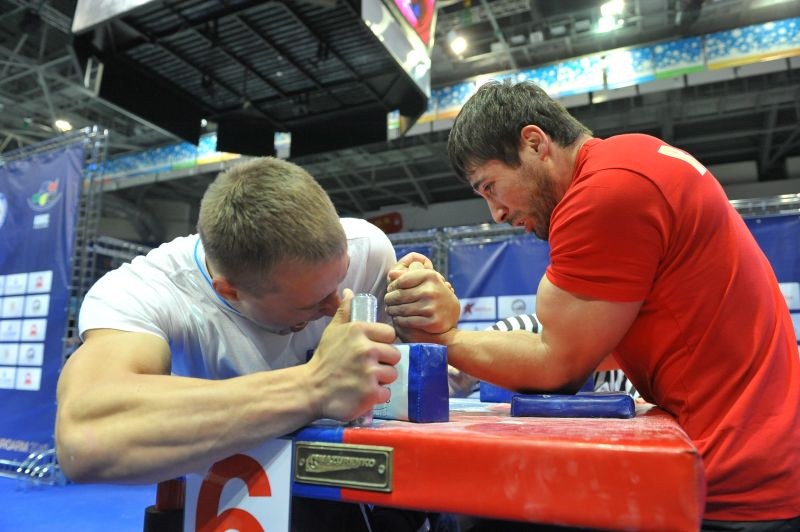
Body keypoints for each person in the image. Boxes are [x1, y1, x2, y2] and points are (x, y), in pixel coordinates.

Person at [385, 81, 800, 529]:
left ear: (534, 143)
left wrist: (446, 335)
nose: (496, 213)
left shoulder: (605, 191)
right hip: (756, 456)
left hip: (733, 478)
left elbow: (557, 366)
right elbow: (581, 346)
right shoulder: (633, 158)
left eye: (490, 187)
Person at [54, 157, 448, 531]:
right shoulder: (148, 292)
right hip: (227, 501)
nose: (334, 307)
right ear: (230, 291)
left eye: (341, 282)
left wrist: (436, 320)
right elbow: (85, 437)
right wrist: (314, 385)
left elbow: (412, 364)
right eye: (311, 303)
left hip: (357, 498)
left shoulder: (368, 249)